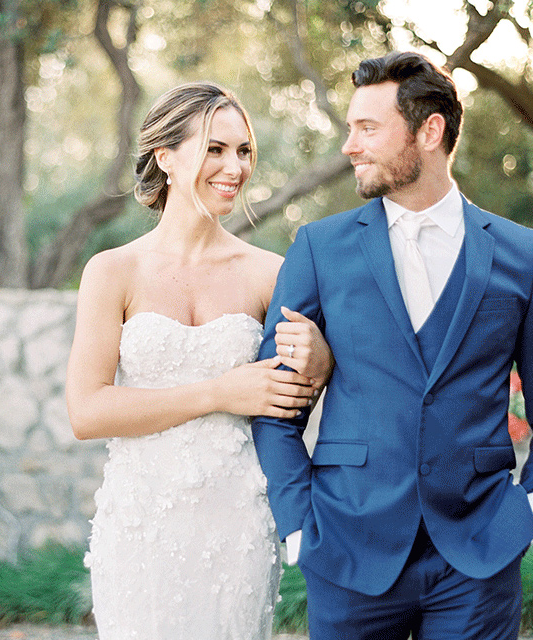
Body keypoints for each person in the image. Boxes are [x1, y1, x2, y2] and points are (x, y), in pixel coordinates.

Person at [252, 51, 533, 639]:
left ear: (429, 131)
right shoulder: (320, 249)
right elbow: (275, 406)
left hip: (479, 556)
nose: (348, 146)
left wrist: (529, 510)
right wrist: (298, 525)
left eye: (368, 128)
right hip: (347, 550)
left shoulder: (523, 256)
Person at [65, 81, 334, 640]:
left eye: (243, 152)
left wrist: (323, 359)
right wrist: (218, 393)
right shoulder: (113, 271)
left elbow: (308, 383)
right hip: (140, 527)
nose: (234, 167)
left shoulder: (270, 273)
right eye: (215, 148)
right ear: (165, 156)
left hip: (236, 523)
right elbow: (87, 411)